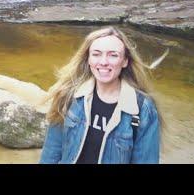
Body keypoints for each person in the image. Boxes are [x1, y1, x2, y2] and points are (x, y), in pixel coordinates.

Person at [39, 26, 163, 164]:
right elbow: (51, 151)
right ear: (88, 59)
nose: (103, 62)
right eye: (96, 54)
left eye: (113, 55)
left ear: (125, 61)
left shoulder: (142, 109)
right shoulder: (68, 95)